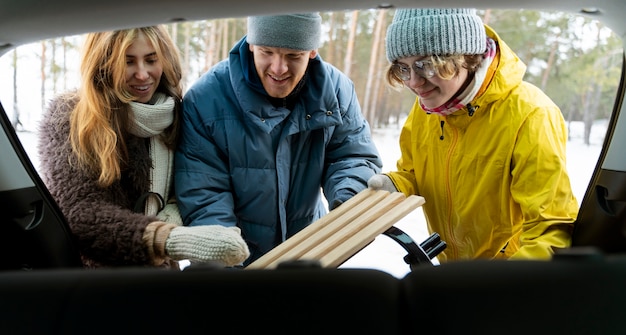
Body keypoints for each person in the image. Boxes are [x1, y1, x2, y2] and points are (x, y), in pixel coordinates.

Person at [368, 8, 579, 261]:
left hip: (506, 280)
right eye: (403, 68)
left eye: (426, 65)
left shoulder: (531, 114)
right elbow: (415, 172)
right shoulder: (429, 107)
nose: (414, 82)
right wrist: (395, 185)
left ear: (465, 57)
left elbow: (551, 228)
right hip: (453, 273)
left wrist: (503, 286)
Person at [175, 13, 383, 265]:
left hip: (309, 253)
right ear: (251, 44)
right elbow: (204, 189)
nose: (278, 68)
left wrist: (348, 199)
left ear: (312, 51)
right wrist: (224, 255)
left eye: (293, 56)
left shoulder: (337, 91)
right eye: (266, 52)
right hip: (237, 260)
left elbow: (352, 156)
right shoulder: (206, 98)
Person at [38, 26, 250, 268]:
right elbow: (81, 212)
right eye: (127, 62)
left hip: (159, 279)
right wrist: (165, 238)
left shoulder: (177, 115)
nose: (142, 74)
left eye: (151, 60)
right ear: (103, 65)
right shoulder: (71, 119)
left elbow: (192, 186)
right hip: (96, 284)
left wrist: (172, 217)